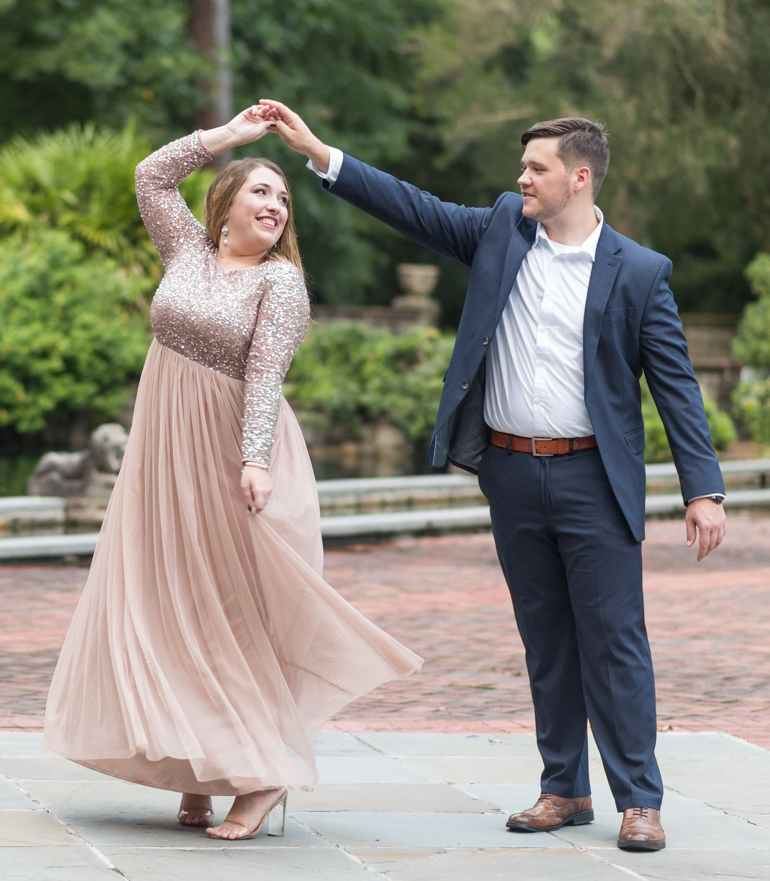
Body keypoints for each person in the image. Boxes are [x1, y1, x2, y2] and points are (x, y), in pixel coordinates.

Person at [262, 101, 726, 854]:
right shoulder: (502, 231)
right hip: (510, 471)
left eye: (536, 168)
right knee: (545, 638)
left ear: (579, 177)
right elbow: (410, 206)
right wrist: (320, 152)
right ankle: (564, 786)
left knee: (615, 641)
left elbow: (676, 386)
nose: (521, 179)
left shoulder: (640, 273)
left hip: (594, 480)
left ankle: (640, 798)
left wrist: (701, 489)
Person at [43, 106, 422, 842]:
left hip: (227, 450)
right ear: (224, 206)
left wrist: (252, 459)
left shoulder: (280, 286)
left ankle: (263, 772)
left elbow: (266, 376)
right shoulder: (185, 251)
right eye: (262, 192)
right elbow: (150, 176)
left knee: (225, 606)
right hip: (161, 453)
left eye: (283, 199)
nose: (276, 206)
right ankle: (199, 767)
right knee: (165, 598)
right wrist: (230, 137)